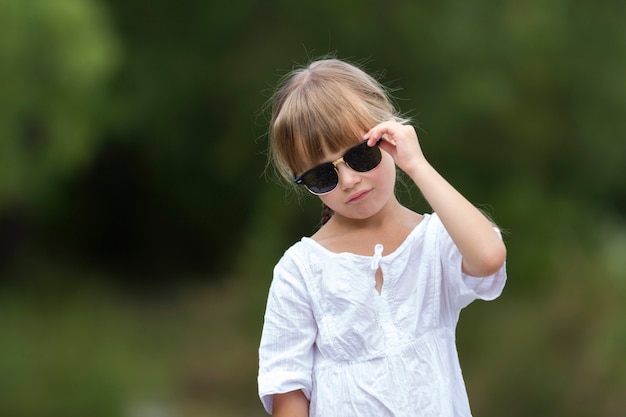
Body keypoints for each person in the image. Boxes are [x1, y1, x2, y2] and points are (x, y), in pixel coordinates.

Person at [257, 57, 507, 417]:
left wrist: (417, 164)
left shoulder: (434, 241)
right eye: (322, 176)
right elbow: (289, 394)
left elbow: (488, 257)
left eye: (359, 155)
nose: (349, 181)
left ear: (388, 136)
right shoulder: (300, 271)